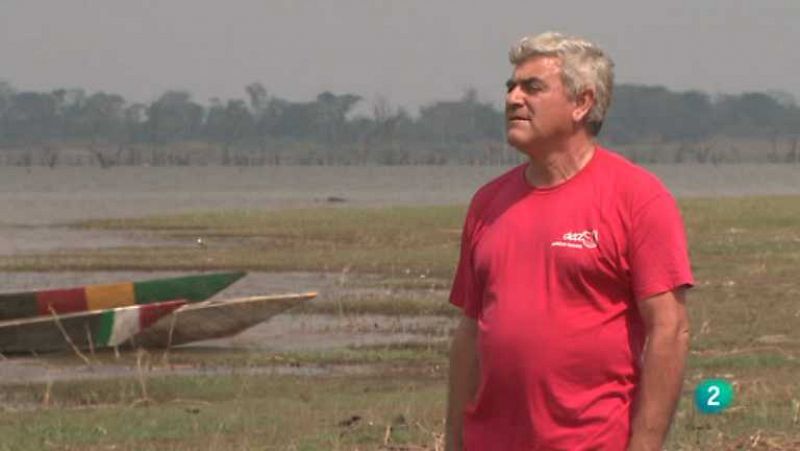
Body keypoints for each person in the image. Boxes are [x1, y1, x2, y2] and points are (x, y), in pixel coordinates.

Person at [445, 32, 693, 451]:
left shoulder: (637, 198)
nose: (513, 99)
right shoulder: (487, 203)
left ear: (581, 103)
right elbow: (470, 333)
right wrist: (454, 441)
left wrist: (645, 444)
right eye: (511, 87)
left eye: (533, 87)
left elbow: (670, 330)